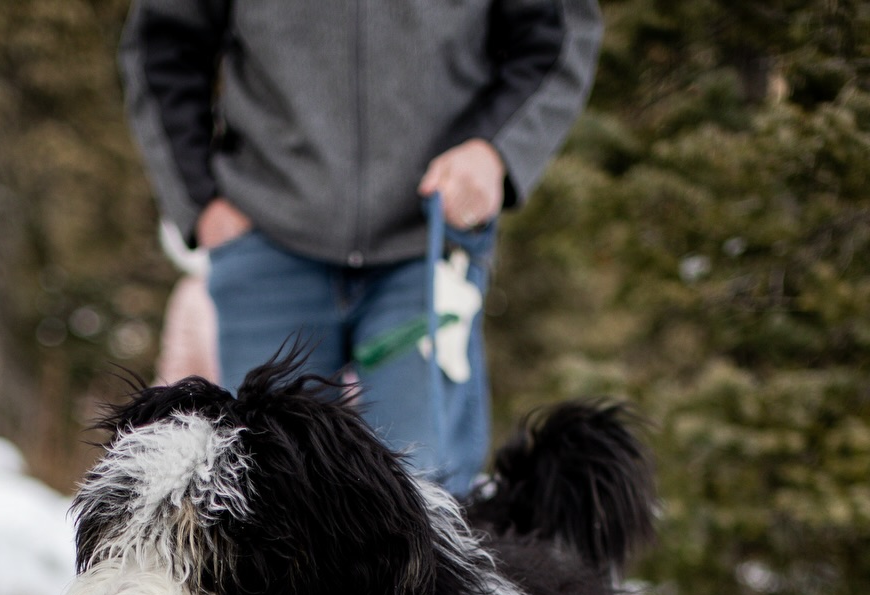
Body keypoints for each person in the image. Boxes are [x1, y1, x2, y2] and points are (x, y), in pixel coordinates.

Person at [121, 1, 602, 498]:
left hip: (429, 244)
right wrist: (200, 201)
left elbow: (557, 36)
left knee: (423, 496)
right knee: (267, 498)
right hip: (267, 244)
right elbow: (163, 41)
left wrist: (496, 148)